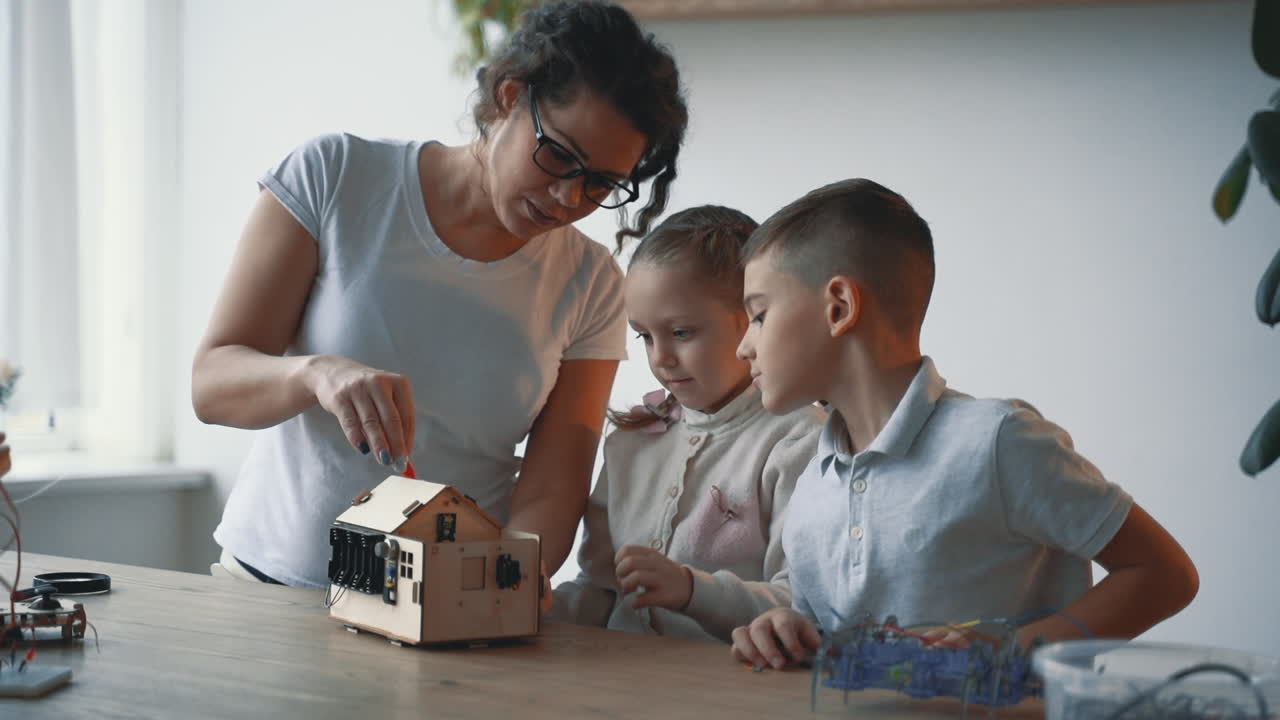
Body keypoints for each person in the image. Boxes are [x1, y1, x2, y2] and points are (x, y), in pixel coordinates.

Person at [191, 0, 688, 588]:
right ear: (509, 96)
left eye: (600, 183)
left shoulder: (591, 281)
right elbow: (212, 386)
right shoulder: (335, 176)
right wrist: (316, 375)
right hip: (268, 591)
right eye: (557, 155)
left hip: (442, 617)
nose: (566, 197)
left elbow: (553, 486)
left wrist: (508, 583)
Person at [729, 178, 1199, 668]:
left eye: (758, 315)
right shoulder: (811, 485)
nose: (744, 346)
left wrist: (1016, 654)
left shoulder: (997, 441)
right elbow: (827, 640)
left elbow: (1165, 574)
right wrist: (786, 630)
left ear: (839, 307)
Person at [550, 206, 823, 643]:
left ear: (751, 319)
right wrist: (528, 609)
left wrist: (693, 591)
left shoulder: (801, 442)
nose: (660, 358)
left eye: (681, 332)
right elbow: (599, 590)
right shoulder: (629, 443)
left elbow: (803, 605)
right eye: (644, 335)